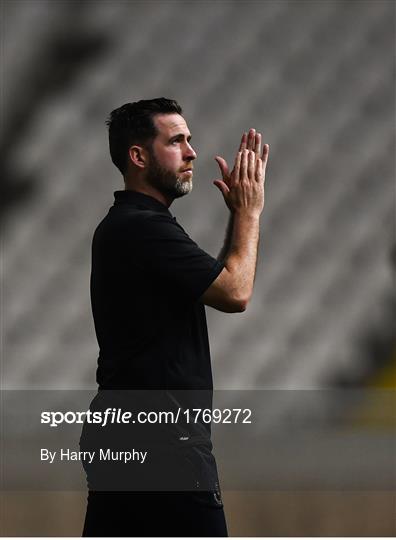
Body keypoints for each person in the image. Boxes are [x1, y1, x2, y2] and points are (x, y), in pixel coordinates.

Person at [82, 98, 269, 537]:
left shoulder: (128, 225)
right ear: (138, 155)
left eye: (189, 140)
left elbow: (213, 282)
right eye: (177, 141)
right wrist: (249, 214)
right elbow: (235, 292)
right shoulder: (143, 227)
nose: (192, 152)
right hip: (163, 445)